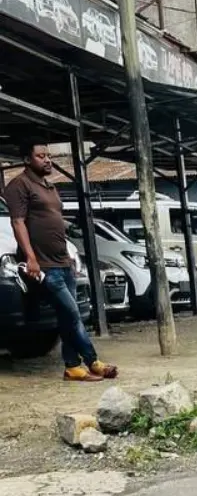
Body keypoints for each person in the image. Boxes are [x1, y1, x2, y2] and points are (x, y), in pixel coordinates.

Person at [5, 141, 117, 382]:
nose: (47, 160)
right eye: (41, 156)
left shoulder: (49, 186)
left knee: (67, 317)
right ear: (27, 160)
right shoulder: (18, 186)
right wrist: (31, 258)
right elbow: (17, 222)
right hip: (44, 266)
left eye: (49, 156)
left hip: (63, 262)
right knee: (72, 312)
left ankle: (72, 367)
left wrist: (69, 257)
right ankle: (92, 361)